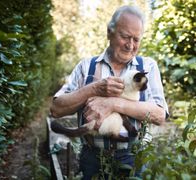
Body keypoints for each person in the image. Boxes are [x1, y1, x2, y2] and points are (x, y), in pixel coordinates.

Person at [50, 5, 169, 179]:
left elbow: (160, 115)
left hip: (134, 157)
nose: (130, 45)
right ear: (109, 33)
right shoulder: (86, 66)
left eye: (136, 39)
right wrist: (94, 88)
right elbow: (56, 109)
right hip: (92, 157)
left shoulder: (148, 67)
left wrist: (114, 103)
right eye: (125, 36)